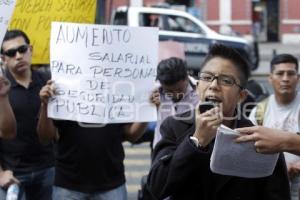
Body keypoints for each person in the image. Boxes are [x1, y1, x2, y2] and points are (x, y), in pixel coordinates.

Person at [146, 44, 290, 200]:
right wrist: (197, 141)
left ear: (241, 96)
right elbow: (157, 187)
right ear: (198, 85)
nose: (214, 86)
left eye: (226, 81)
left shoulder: (259, 139)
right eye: (207, 78)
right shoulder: (174, 126)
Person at [37, 78, 148, 199]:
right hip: (68, 184)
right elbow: (45, 137)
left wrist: (148, 109)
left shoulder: (116, 89)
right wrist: (45, 104)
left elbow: (131, 135)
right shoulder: (61, 86)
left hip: (111, 183)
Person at [0, 30, 54, 200]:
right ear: (3, 59)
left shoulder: (49, 82)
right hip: (12, 175)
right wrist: (1, 173)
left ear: (30, 49)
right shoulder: (1, 88)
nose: (18, 56)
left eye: (22, 49)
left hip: (49, 171)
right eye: (11, 53)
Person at [247, 53, 300, 200]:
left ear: (298, 78)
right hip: (270, 188)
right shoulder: (259, 111)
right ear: (270, 78)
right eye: (280, 73)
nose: (285, 78)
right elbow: (249, 149)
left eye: (290, 73)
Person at [150, 57, 199, 148]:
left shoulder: (201, 91)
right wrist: (151, 106)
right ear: (161, 83)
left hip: (190, 150)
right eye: (169, 91)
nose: (176, 94)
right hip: (161, 149)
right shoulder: (153, 92)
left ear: (186, 77)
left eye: (179, 89)